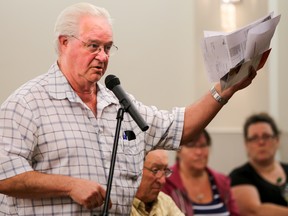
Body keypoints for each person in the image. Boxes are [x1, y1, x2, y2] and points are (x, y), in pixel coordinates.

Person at [0, 2, 257, 216]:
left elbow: (181, 127)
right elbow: (4, 175)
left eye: (108, 47)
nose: (103, 56)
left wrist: (224, 90)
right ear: (64, 43)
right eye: (93, 46)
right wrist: (68, 186)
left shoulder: (119, 104)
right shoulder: (27, 103)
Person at [161, 129, 239, 216]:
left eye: (203, 145)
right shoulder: (164, 182)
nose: (199, 152)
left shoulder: (222, 182)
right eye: (191, 146)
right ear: (178, 151)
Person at [229, 112, 288, 215]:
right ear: (246, 144)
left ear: (277, 140)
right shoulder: (239, 176)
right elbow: (254, 211)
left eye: (266, 136)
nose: (261, 142)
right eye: (254, 138)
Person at [130, 149, 184, 216]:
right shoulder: (120, 205)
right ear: (134, 169)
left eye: (165, 170)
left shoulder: (165, 201)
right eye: (155, 170)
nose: (163, 181)